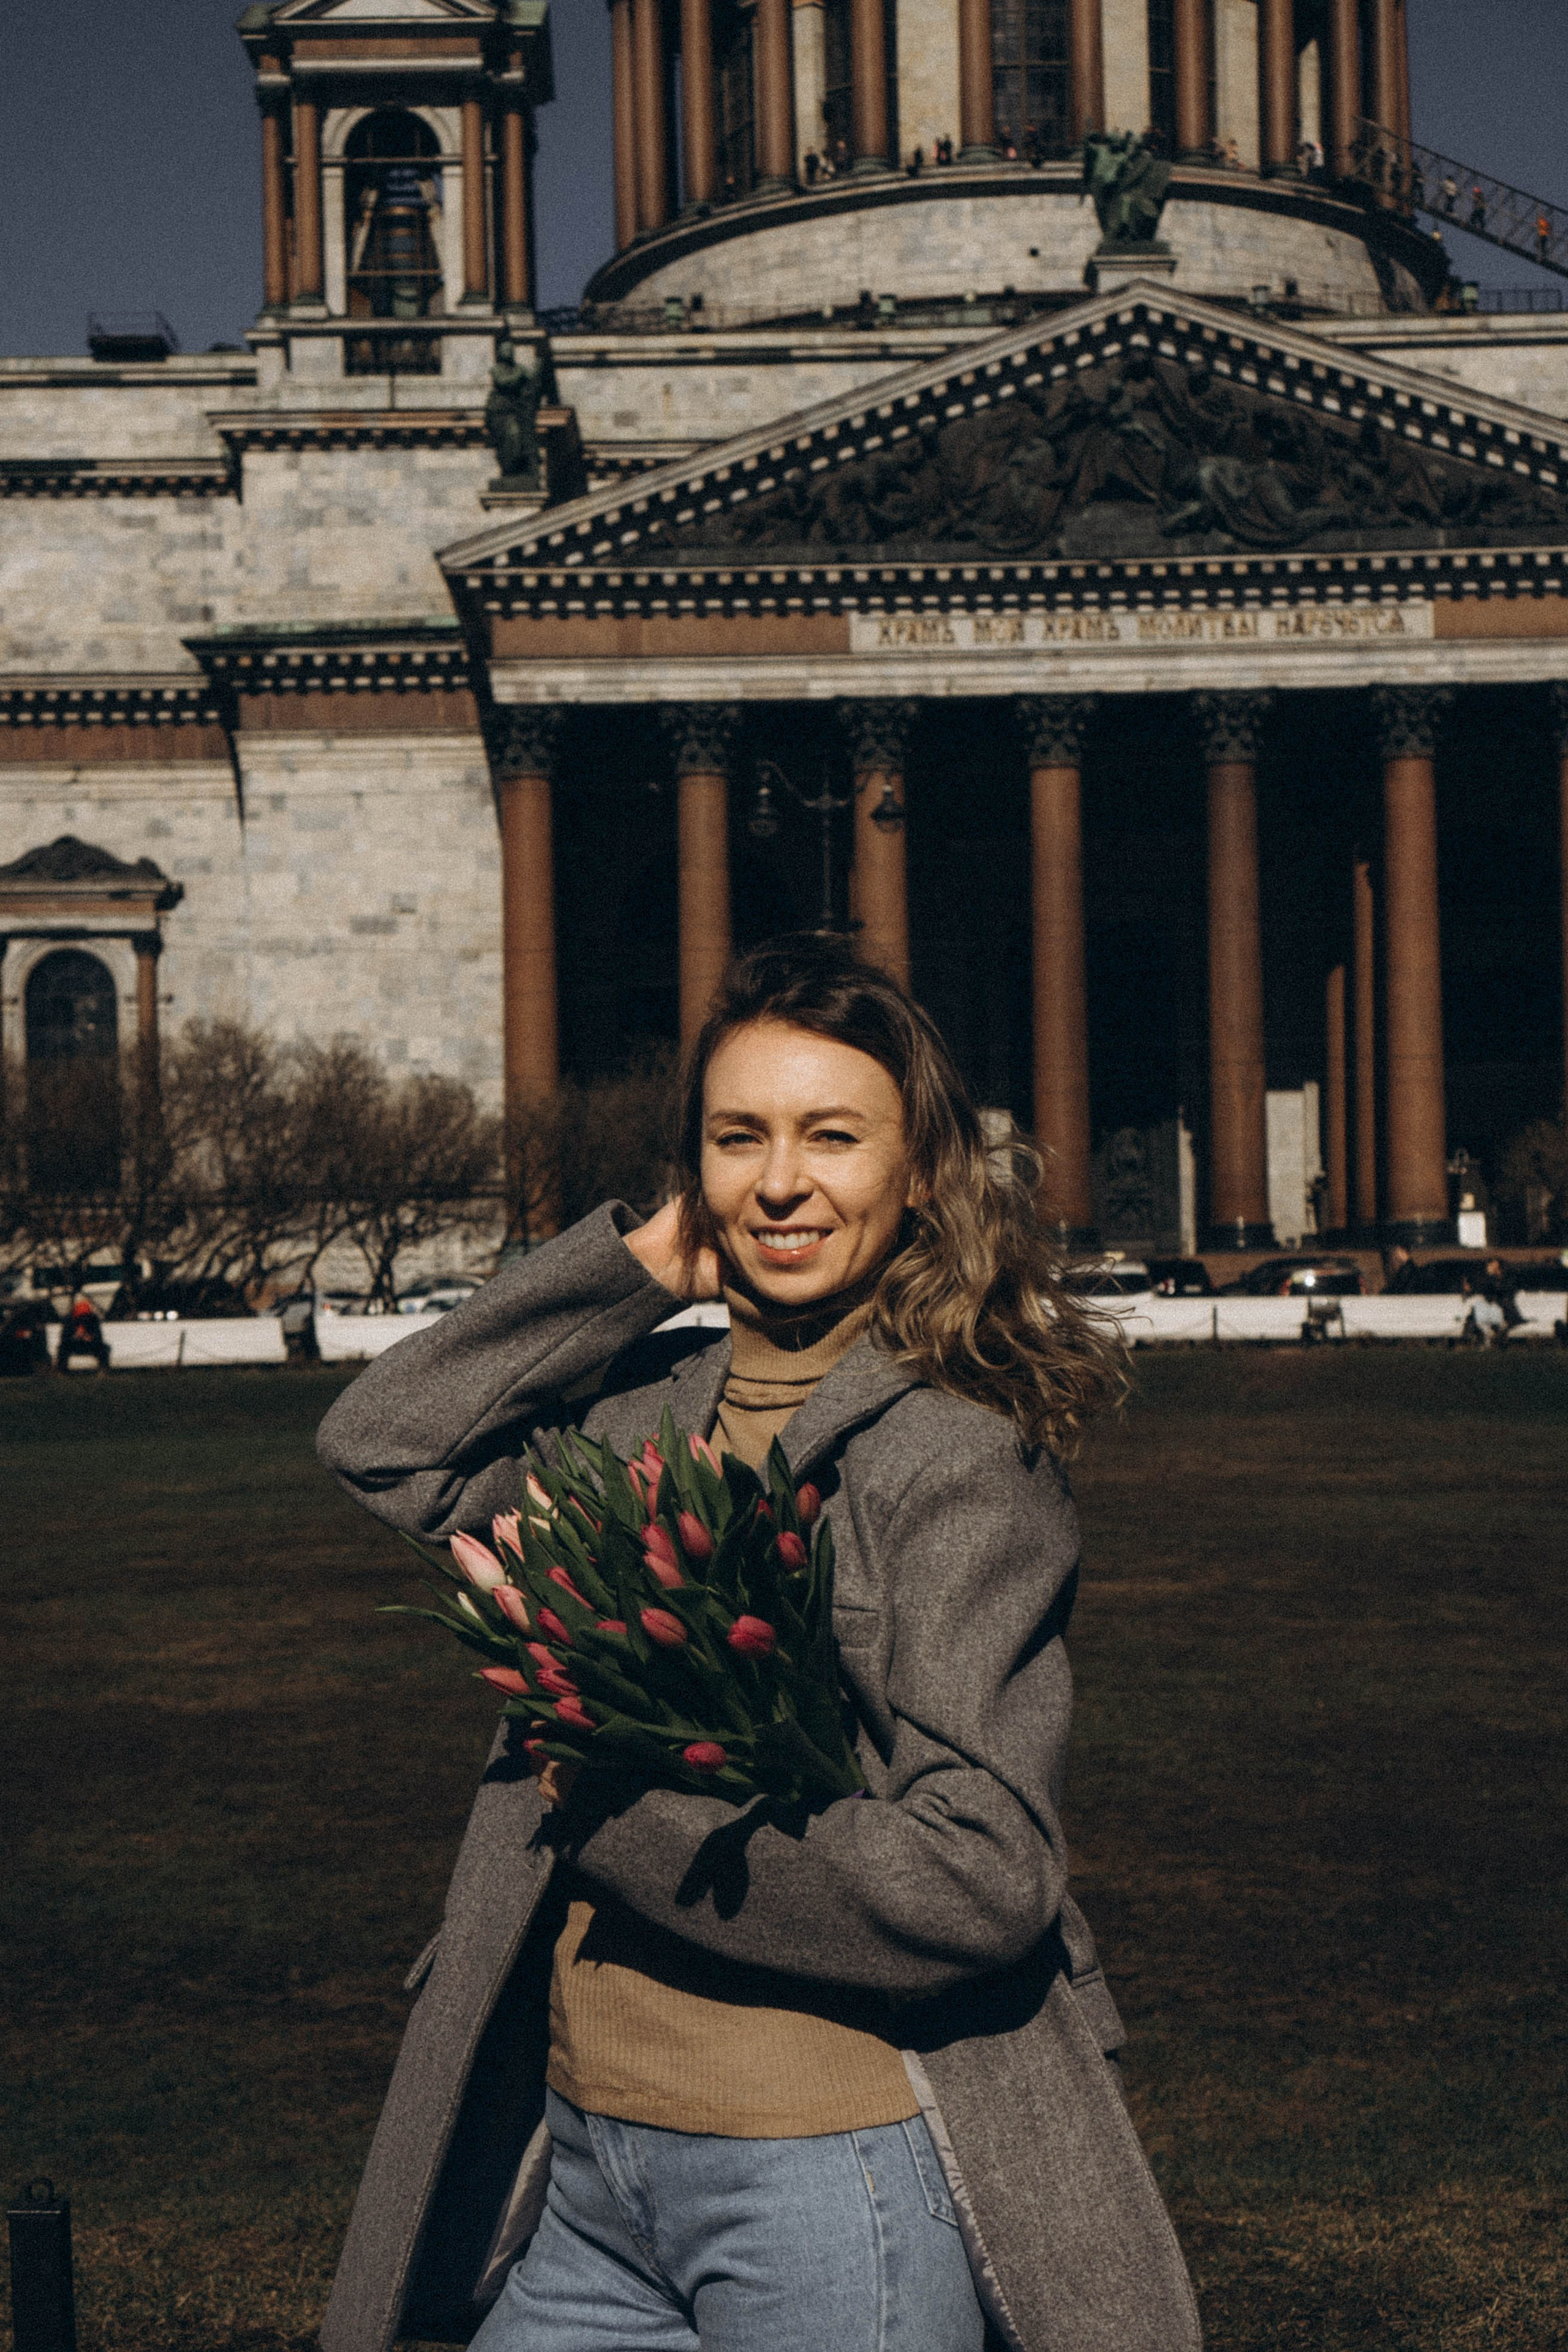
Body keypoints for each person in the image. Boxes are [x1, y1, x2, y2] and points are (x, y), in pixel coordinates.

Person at [314, 941, 1201, 2352]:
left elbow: (979, 1873)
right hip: (585, 2169)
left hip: (825, 2171)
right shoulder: (630, 1418)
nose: (779, 1179)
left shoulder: (954, 1462)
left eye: (831, 1136)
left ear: (920, 1173)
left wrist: (623, 1815)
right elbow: (386, 1444)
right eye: (741, 1137)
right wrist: (633, 1265)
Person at [56, 1292, 110, 1375]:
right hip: (74, 1344)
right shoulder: (69, 1320)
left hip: (89, 1344)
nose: (84, 1319)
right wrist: (75, 1336)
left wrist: (90, 1337)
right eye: (82, 1316)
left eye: (86, 1316)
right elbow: (64, 1338)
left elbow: (99, 1337)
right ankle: (61, 1371)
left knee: (104, 1347)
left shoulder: (93, 1319)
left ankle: (103, 1369)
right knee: (62, 1348)